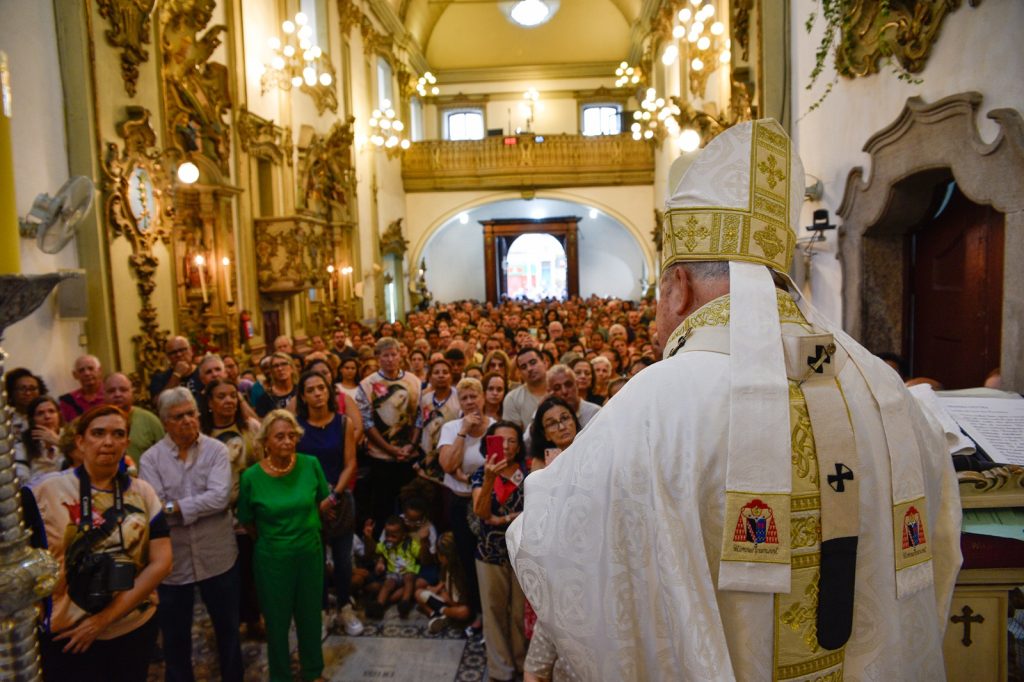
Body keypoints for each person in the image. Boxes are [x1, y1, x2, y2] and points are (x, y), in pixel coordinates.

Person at [508, 119, 961, 681]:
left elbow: (557, 545)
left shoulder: (657, 399)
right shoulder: (884, 387)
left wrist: (553, 483)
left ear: (679, 288)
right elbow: (937, 531)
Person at [30, 405, 172, 681]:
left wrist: (102, 620)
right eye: (98, 433)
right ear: (80, 441)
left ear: (126, 444)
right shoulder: (44, 491)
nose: (108, 442)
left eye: (118, 434)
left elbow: (162, 562)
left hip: (132, 626)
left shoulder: (141, 492)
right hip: (69, 634)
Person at [139, 388, 243, 682]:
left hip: (217, 556)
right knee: (175, 640)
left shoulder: (216, 450)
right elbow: (155, 509)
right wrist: (187, 506)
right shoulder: (151, 459)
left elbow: (220, 498)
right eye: (178, 417)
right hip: (174, 562)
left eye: (191, 414)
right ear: (165, 423)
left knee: (228, 632)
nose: (187, 421)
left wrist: (174, 508)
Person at [237, 410, 333, 682]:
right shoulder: (251, 477)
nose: (287, 442)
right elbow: (248, 522)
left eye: (292, 436)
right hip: (272, 557)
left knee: (310, 616)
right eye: (280, 436)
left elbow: (319, 504)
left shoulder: (310, 464)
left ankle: (313, 671)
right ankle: (280, 676)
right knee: (277, 623)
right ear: (265, 441)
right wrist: (274, 540)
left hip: (309, 552)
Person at [294, 371, 364, 637]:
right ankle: (321, 609)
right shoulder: (298, 426)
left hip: (340, 497)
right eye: (310, 389)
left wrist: (333, 495)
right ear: (303, 396)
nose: (317, 393)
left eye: (321, 388)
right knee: (316, 560)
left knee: (343, 559)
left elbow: (351, 463)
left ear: (329, 392)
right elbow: (296, 467)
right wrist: (318, 497)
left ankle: (345, 606)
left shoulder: (343, 423)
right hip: (310, 500)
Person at [199, 377, 262, 638]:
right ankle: (227, 622)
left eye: (232, 396)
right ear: (210, 403)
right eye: (221, 396)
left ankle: (254, 619)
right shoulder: (201, 435)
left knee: (250, 570)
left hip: (247, 515)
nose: (228, 401)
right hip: (215, 516)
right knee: (222, 576)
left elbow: (261, 466)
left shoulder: (250, 428)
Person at [471, 421, 528, 682]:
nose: (506, 446)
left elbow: (536, 510)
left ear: (519, 446)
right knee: (493, 611)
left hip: (521, 553)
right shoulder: (481, 474)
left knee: (519, 612)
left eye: (512, 441)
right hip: (489, 552)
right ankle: (500, 669)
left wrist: (505, 519)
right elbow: (481, 513)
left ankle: (522, 662)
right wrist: (491, 477)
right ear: (489, 443)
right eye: (500, 440)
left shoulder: (529, 473)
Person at [438, 377, 494, 632]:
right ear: (459, 402)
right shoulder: (450, 428)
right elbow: (448, 466)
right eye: (465, 398)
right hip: (459, 503)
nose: (470, 402)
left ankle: (493, 610)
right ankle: (477, 611)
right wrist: (463, 431)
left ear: (483, 397)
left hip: (487, 503)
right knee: (467, 558)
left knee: (489, 558)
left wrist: (473, 478)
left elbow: (499, 466)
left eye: (474, 396)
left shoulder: (494, 427)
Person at [355, 337, 421, 531]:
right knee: (383, 505)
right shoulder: (368, 384)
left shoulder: (413, 381)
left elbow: (418, 416)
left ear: (400, 355)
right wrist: (390, 449)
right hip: (381, 456)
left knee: (410, 503)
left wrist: (411, 445)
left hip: (409, 453)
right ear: (378, 358)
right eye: (386, 355)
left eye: (394, 354)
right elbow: (367, 422)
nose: (390, 359)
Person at [365, 515, 428, 619]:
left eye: (393, 536)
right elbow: (373, 551)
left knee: (408, 577)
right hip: (393, 574)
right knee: (388, 583)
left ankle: (405, 602)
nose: (389, 539)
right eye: (387, 535)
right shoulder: (385, 545)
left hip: (409, 572)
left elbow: (421, 556)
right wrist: (368, 537)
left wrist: (424, 541)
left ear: (403, 535)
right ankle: (379, 606)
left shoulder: (409, 544)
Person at [416, 531, 473, 634]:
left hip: (455, 604)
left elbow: (462, 601)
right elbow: (442, 581)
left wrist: (448, 600)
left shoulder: (461, 574)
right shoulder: (444, 567)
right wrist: (436, 589)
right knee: (418, 593)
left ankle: (443, 613)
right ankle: (436, 615)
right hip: (445, 599)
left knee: (464, 612)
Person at [103, 373, 164, 462]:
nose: (117, 394)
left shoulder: (150, 420)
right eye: (111, 391)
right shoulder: (97, 422)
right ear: (104, 394)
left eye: (123, 390)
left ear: (132, 392)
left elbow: (165, 456)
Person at [15, 395, 66, 486]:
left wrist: (59, 443)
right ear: (32, 420)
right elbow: (22, 480)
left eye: (51, 411)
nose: (47, 416)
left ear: (59, 415)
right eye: (40, 413)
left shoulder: (72, 439)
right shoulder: (22, 446)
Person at [527, 396, 580, 471]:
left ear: (574, 420)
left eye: (565, 418)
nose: (562, 427)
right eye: (552, 424)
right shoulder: (540, 462)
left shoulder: (590, 448)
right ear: (545, 434)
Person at [502, 348, 548, 431]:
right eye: (524, 367)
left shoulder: (561, 388)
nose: (529, 369)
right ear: (519, 373)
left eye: (533, 362)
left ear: (545, 363)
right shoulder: (512, 398)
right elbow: (513, 435)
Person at [58, 355, 105, 422]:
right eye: (81, 370)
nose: (87, 373)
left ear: (100, 371)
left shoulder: (111, 395)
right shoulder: (67, 401)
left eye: (91, 368)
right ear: (75, 375)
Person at [5, 366, 47, 441]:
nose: (28, 393)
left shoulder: (48, 415)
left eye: (33, 388)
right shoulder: (6, 420)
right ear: (11, 393)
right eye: (22, 389)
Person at [253, 352, 298, 417]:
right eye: (276, 366)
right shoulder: (264, 399)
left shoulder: (302, 391)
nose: (280, 368)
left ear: (292, 368)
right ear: (271, 372)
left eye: (284, 364)